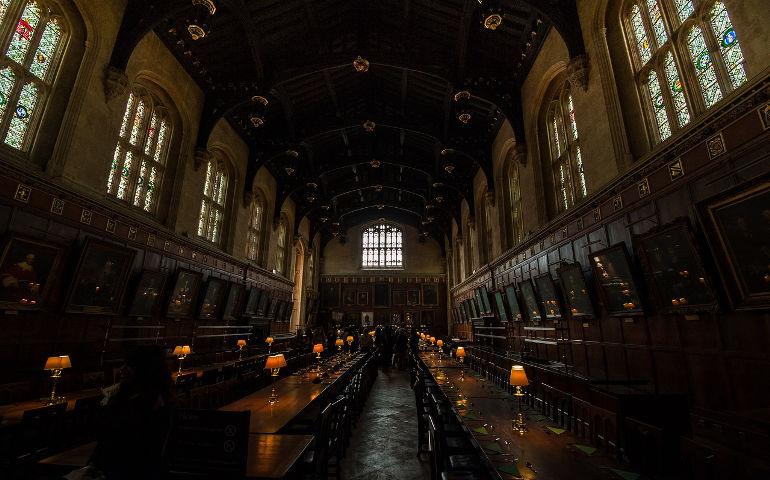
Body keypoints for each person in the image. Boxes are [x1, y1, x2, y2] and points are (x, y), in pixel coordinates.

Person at [87, 345, 176, 479]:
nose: (121, 370)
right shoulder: (126, 396)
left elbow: (135, 442)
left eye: (129, 365)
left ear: (145, 369)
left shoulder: (152, 402)